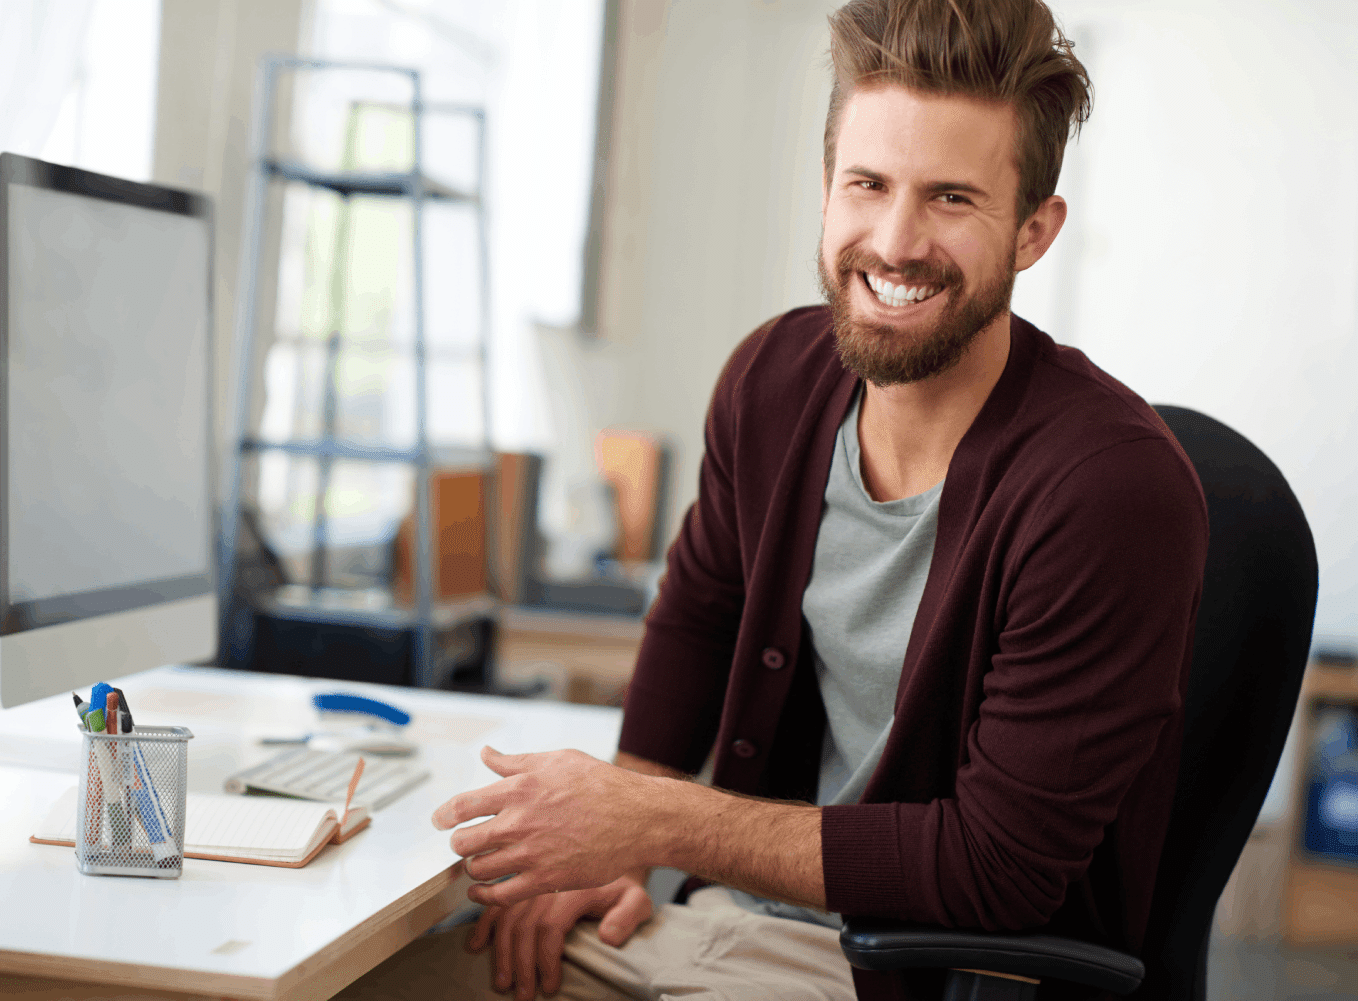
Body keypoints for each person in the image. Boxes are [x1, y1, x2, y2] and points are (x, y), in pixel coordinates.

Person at [350, 0, 1206, 998]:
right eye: (868, 184)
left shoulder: (1111, 488)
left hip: (939, 973)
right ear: (828, 186)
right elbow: (698, 621)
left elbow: (996, 867)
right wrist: (611, 853)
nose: (894, 240)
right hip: (737, 926)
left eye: (952, 199)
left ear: (1033, 231)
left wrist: (653, 822)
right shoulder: (773, 380)